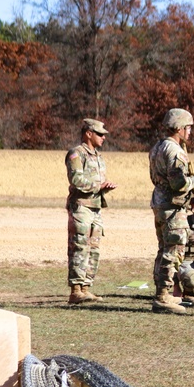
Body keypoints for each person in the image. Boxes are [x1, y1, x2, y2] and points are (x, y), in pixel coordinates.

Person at [149, 108, 194, 314]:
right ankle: (163, 296)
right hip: (172, 207)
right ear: (179, 128)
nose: (190, 132)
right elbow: (179, 183)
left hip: (160, 203)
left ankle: (163, 292)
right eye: (188, 128)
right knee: (173, 252)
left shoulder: (157, 147)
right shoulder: (175, 151)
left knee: (164, 249)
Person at [65, 118, 117, 304]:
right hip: (81, 207)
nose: (103, 137)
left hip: (95, 207)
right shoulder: (76, 154)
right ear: (89, 133)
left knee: (93, 249)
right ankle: (76, 290)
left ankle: (86, 287)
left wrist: (104, 188)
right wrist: (99, 185)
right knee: (79, 246)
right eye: (100, 134)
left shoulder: (98, 156)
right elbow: (77, 180)